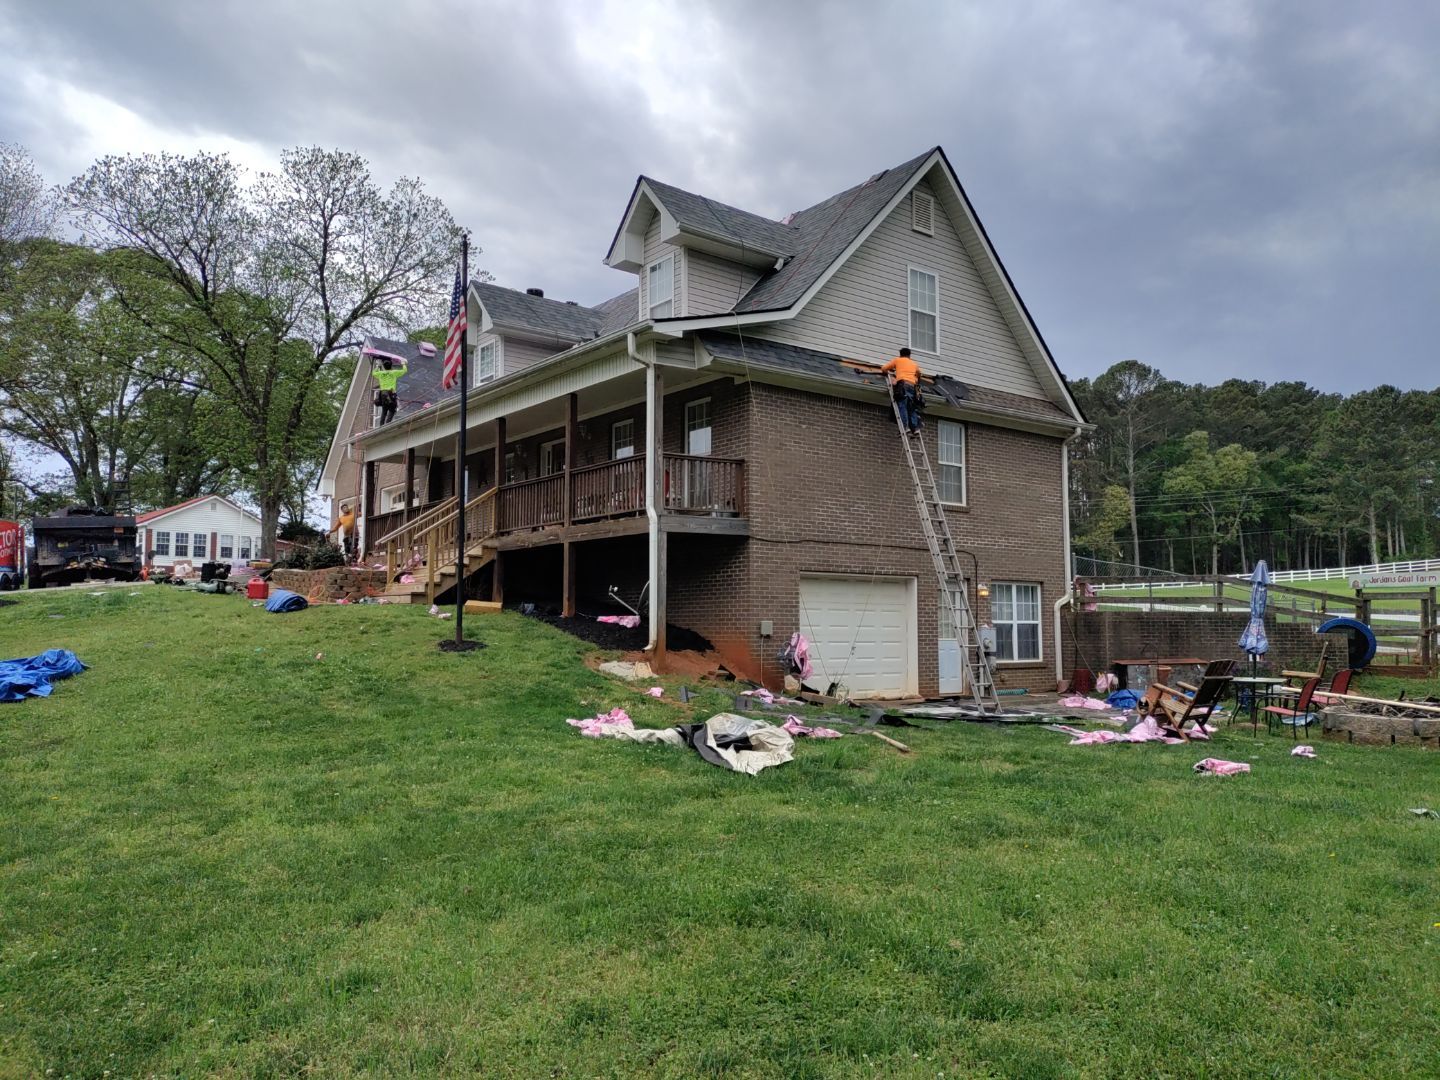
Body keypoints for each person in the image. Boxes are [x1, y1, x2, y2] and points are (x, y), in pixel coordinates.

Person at [881, 347, 923, 434]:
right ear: (909, 355)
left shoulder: (897, 360)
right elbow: (919, 374)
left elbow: (884, 368)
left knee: (902, 406)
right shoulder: (914, 364)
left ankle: (905, 427)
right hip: (913, 387)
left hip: (903, 385)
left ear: (900, 355)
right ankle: (915, 428)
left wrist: (892, 371)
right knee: (911, 408)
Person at [372, 356, 407, 424]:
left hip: (383, 394)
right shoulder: (394, 373)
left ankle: (381, 426)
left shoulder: (380, 374)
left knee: (384, 411)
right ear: (391, 366)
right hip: (391, 393)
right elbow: (404, 370)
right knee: (392, 410)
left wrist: (378, 366)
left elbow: (373, 373)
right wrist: (403, 364)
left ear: (384, 367)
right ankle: (387, 424)